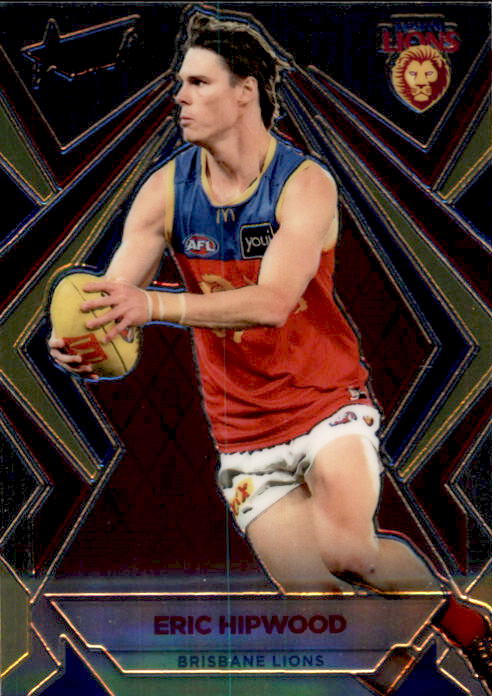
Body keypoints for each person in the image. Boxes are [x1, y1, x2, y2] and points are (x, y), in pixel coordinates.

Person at [49, 11, 491, 688]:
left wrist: (155, 305)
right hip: (242, 434)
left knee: (351, 552)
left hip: (325, 404)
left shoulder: (305, 183)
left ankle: (471, 631)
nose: (179, 96)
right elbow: (117, 298)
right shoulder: (165, 191)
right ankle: (416, 676)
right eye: (179, 83)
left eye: (198, 82)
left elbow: (274, 300)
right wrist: (83, 340)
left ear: (245, 91)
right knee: (326, 612)